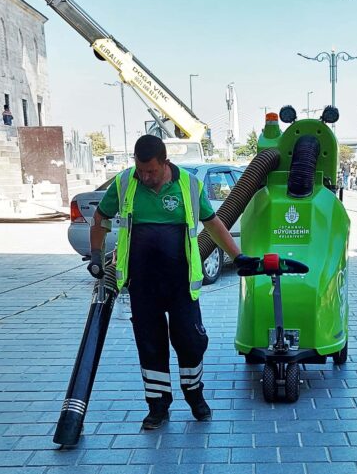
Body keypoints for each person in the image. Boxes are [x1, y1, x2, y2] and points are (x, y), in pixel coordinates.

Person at [89, 134, 248, 430]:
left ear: (165, 163)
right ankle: (157, 406)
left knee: (190, 342)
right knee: (150, 345)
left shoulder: (188, 184)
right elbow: (100, 219)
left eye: (151, 171)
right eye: (141, 170)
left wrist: (238, 257)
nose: (145, 176)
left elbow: (213, 224)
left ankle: (195, 397)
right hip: (143, 283)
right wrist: (97, 255)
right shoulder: (125, 183)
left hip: (180, 283)